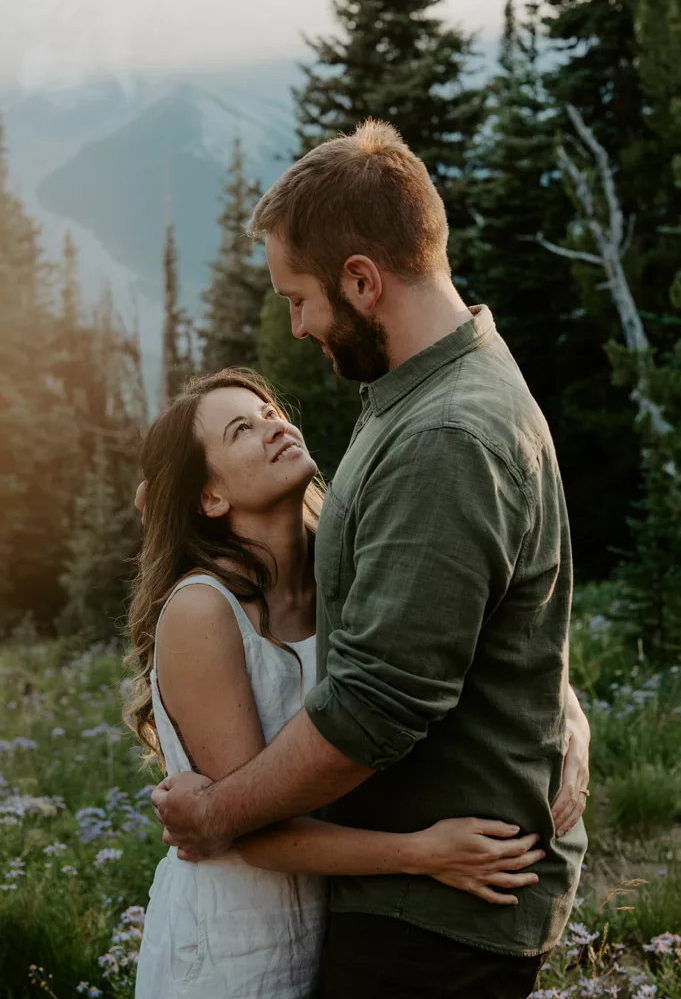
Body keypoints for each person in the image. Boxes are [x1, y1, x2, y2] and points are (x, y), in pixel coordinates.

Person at [150, 120, 590, 999]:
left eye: (299, 297)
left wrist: (214, 812)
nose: (298, 324)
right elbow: (474, 602)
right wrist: (561, 716)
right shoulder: (417, 392)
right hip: (377, 897)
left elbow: (377, 703)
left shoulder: (444, 434)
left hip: (438, 915)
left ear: (363, 280)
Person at [127, 368, 554, 999]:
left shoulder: (343, 575)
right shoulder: (203, 610)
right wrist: (428, 854)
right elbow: (250, 830)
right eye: (242, 429)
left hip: (330, 920)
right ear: (211, 498)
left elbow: (470, 634)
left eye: (270, 411)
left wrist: (568, 714)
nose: (274, 427)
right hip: (229, 942)